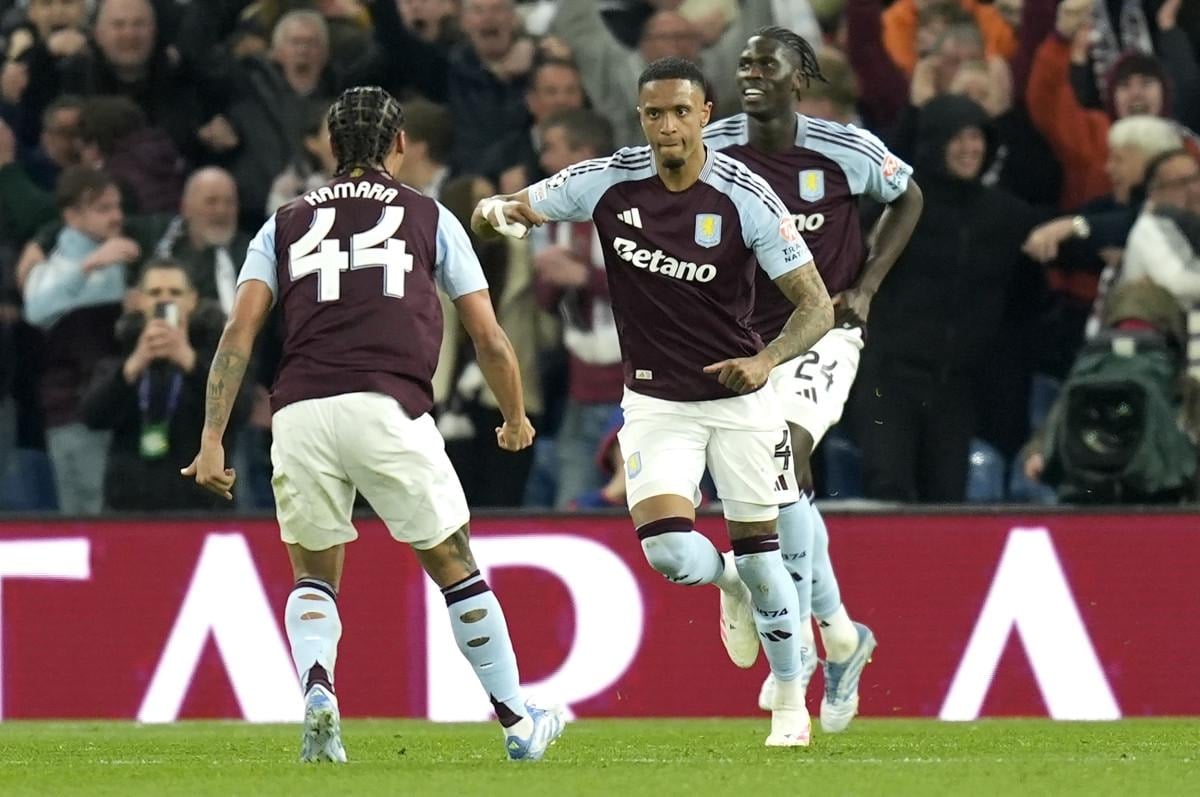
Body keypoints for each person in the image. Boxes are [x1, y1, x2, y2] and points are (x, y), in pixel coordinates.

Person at [183, 86, 566, 764]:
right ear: (400, 144)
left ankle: (319, 691)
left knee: (314, 572)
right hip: (388, 405)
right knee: (454, 564)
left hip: (300, 409)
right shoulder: (430, 215)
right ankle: (516, 720)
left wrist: (212, 437)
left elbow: (239, 333)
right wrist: (514, 415)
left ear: (331, 146)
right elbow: (488, 335)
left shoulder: (283, 222)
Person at [473, 56, 835, 747]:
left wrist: (764, 361)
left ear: (705, 115)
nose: (668, 126)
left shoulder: (745, 195)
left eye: (680, 112)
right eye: (654, 114)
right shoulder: (609, 180)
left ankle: (790, 698)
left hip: (739, 399)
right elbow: (510, 209)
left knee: (766, 559)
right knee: (669, 551)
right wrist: (496, 213)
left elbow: (816, 305)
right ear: (641, 119)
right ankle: (728, 583)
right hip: (656, 400)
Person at [703, 27, 924, 732]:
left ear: (800, 78)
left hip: (823, 333)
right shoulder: (713, 148)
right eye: (745, 64)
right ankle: (842, 634)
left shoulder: (845, 148)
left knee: (787, 451)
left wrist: (868, 286)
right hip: (745, 341)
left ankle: (793, 642)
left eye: (766, 64)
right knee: (771, 484)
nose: (751, 74)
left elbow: (909, 197)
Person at [82, 260, 245, 510]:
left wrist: (189, 361)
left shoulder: (218, 351)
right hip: (128, 505)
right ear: (139, 300)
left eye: (175, 292)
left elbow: (240, 410)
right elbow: (92, 415)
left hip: (202, 505)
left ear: (192, 300)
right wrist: (135, 364)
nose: (165, 300)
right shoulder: (120, 346)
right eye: (155, 293)